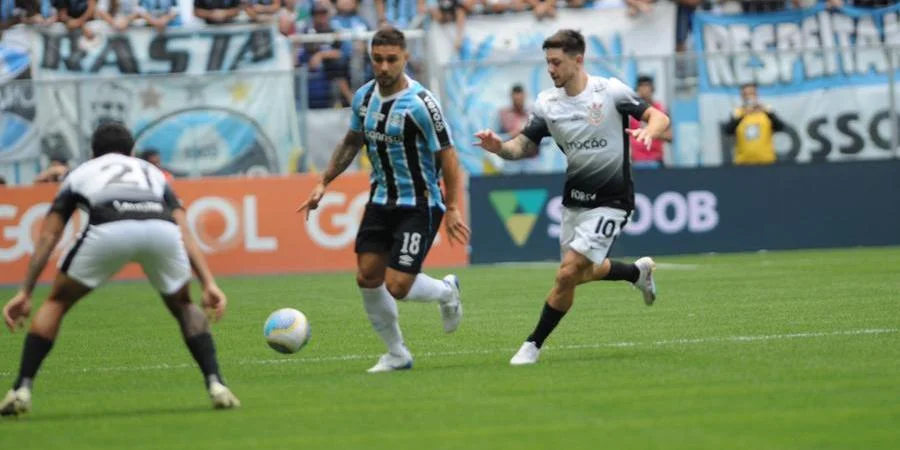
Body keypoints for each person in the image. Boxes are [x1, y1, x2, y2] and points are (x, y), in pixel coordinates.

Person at [0, 123, 239, 417]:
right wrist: (208, 283)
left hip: (108, 225)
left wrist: (25, 291)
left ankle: (21, 389)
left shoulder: (82, 172)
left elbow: (49, 236)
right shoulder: (150, 172)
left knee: (57, 302)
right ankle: (217, 384)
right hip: (160, 228)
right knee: (185, 305)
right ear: (132, 150)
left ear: (93, 152)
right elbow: (184, 228)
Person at [474, 29, 670, 366]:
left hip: (613, 199)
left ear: (577, 60)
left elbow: (658, 118)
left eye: (556, 62)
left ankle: (532, 344)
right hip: (575, 200)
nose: (550, 69)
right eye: (548, 62)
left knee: (567, 274)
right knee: (580, 272)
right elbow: (523, 145)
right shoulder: (547, 103)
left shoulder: (609, 91)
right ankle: (637, 274)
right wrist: (500, 148)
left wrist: (648, 131)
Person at [297, 26, 470, 373]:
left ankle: (446, 292)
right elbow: (351, 141)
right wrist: (323, 182)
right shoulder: (363, 97)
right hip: (379, 200)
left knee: (398, 285)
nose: (384, 66)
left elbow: (449, 157)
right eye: (378, 59)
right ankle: (396, 353)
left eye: (392, 59)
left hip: (419, 203)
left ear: (405, 58)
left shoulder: (422, 104)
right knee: (367, 277)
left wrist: (451, 206)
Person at [723, 82, 784, 166]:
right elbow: (728, 131)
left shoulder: (766, 110)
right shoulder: (737, 112)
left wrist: (768, 112)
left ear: (756, 95)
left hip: (766, 161)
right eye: (745, 94)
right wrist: (743, 115)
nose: (749, 97)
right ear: (742, 96)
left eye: (751, 93)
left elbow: (780, 127)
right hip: (743, 162)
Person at [630, 75, 672, 169]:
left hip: (656, 160)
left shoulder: (660, 110)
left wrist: (650, 131)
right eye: (641, 86)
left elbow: (669, 136)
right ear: (637, 89)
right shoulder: (630, 110)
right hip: (635, 161)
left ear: (652, 88)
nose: (645, 89)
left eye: (647, 86)